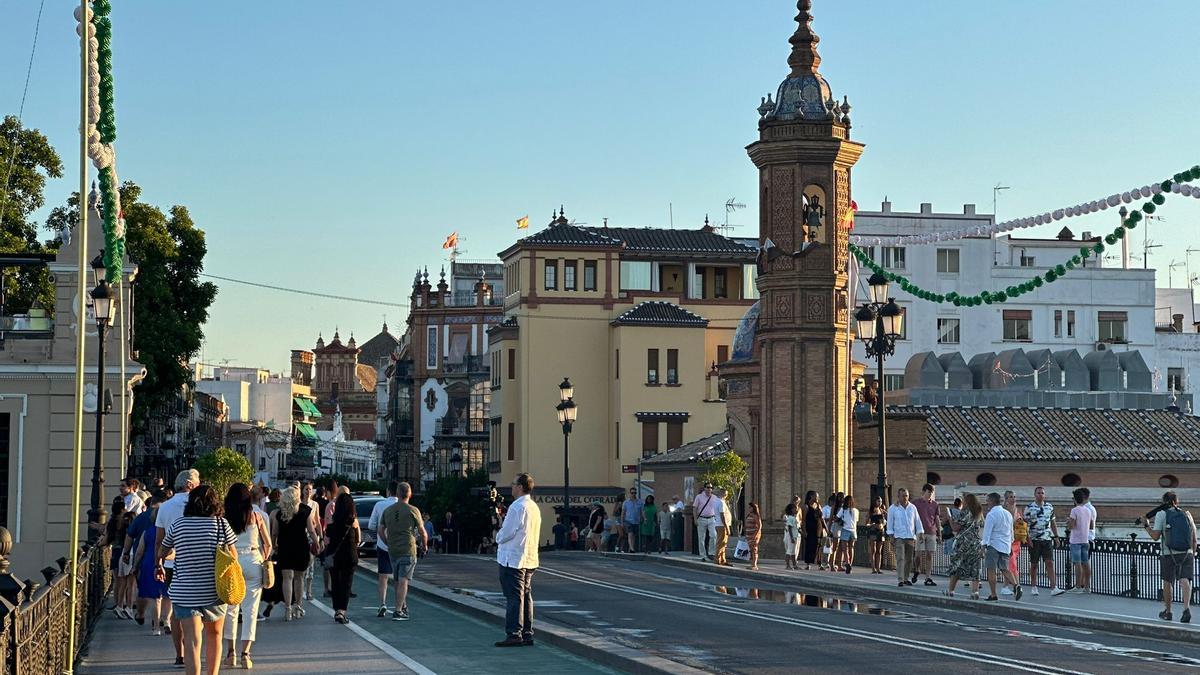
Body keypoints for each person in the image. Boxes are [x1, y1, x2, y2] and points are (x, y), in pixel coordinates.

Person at [155, 484, 237, 675]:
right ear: (214, 503)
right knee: (215, 635)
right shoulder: (221, 524)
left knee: (192, 640)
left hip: (185, 592)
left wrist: (179, 554)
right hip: (214, 591)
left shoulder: (179, 525)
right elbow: (233, 556)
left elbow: (162, 552)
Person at [222, 483, 272, 669]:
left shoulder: (224, 518)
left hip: (232, 562)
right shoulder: (256, 516)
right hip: (253, 560)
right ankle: (246, 654)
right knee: (251, 610)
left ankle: (230, 653)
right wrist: (264, 557)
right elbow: (268, 543)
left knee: (231, 608)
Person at [156, 469, 200, 667]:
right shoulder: (200, 504)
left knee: (176, 607)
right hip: (197, 563)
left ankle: (180, 654)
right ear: (192, 485)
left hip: (172, 563)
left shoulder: (165, 507)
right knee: (197, 608)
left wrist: (158, 564)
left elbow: (160, 541)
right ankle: (195, 650)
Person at [495, 473, 541, 648]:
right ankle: (527, 632)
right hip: (529, 557)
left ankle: (514, 633)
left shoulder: (517, 507)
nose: (511, 486)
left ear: (520, 487)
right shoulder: (534, 507)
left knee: (514, 597)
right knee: (526, 595)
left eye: (513, 484)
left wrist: (497, 536)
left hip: (513, 558)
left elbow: (508, 532)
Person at [271, 485, 321, 621]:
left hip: (285, 547)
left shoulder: (279, 512)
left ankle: (287, 609)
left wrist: (274, 544)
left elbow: (275, 532)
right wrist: (316, 542)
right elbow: (311, 530)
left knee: (287, 578)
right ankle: (298, 606)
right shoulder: (305, 511)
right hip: (301, 547)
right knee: (299, 578)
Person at [1145, 491, 1196, 622]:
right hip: (1187, 552)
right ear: (1176, 501)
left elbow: (1155, 537)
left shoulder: (1161, 514)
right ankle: (1186, 609)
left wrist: (1146, 526)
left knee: (1168, 582)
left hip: (1169, 554)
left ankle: (1168, 612)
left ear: (1163, 502)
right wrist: (1192, 552)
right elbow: (1194, 536)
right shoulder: (1187, 514)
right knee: (1185, 580)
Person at [379, 482, 426, 621]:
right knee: (404, 580)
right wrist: (425, 545)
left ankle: (402, 605)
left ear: (397, 494)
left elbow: (380, 529)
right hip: (408, 548)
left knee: (397, 580)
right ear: (410, 494)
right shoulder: (413, 510)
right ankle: (398, 610)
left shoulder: (388, 511)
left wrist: (387, 541)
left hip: (393, 549)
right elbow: (422, 531)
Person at [133, 490, 168, 634]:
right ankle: (167, 620)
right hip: (166, 562)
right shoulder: (168, 531)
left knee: (155, 598)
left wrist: (135, 565)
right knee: (167, 595)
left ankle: (156, 628)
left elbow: (140, 551)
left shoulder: (147, 532)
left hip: (149, 562)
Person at [324, 492, 360, 624]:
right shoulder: (353, 522)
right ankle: (342, 611)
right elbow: (358, 539)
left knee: (335, 582)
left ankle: (336, 609)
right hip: (349, 555)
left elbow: (327, 539)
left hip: (334, 555)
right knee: (346, 583)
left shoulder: (332, 524)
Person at [1024, 486, 1065, 596]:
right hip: (1034, 539)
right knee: (1034, 564)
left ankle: (1054, 587)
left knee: (1050, 562)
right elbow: (1024, 525)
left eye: (1042, 493)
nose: (1040, 495)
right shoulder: (1029, 508)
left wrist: (1056, 536)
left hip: (1047, 539)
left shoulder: (1049, 507)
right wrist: (1028, 539)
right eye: (1038, 493)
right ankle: (1033, 586)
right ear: (1034, 494)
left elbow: (1053, 523)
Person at [982, 492, 1022, 601]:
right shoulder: (1007, 513)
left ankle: (993, 594)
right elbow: (1011, 531)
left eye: (987, 500)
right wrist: (1010, 543)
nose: (986, 502)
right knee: (1005, 568)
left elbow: (987, 532)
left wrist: (983, 545)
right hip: (1005, 545)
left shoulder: (991, 514)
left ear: (991, 501)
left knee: (991, 570)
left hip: (993, 545)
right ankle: (1015, 585)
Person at [367, 481, 400, 615]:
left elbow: (371, 525)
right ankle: (400, 605)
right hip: (399, 545)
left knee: (383, 577)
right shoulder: (405, 506)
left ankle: (382, 603)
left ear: (388, 491)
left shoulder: (379, 504)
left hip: (382, 544)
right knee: (399, 578)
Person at [100, 495, 135, 619]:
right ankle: (127, 606)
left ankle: (119, 605)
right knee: (130, 583)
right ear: (123, 508)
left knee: (119, 581)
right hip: (127, 552)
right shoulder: (128, 519)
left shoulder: (113, 522)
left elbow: (106, 539)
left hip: (116, 551)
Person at [945, 492, 984, 599]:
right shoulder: (979, 513)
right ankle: (975, 592)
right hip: (975, 543)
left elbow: (955, 528)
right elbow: (981, 528)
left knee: (957, 566)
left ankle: (951, 590)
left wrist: (949, 518)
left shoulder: (965, 512)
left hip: (963, 543)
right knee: (975, 568)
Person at [886, 488, 922, 587]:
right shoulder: (893, 508)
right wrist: (891, 536)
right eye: (903, 495)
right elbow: (889, 523)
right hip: (899, 537)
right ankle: (900, 579)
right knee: (900, 558)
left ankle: (906, 578)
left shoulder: (912, 507)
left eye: (906, 495)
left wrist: (920, 532)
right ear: (898, 496)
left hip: (910, 536)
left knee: (909, 559)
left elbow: (917, 521)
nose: (905, 497)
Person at [913, 484, 940, 586]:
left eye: (931, 492)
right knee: (918, 555)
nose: (930, 494)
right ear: (924, 491)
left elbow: (937, 519)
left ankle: (928, 577)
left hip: (931, 531)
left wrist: (939, 533)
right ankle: (917, 569)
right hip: (920, 532)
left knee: (929, 555)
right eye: (929, 492)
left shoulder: (935, 504)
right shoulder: (916, 503)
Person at [1067, 488, 1093, 593]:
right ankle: (1087, 587)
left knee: (1077, 563)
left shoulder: (1074, 510)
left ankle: (1077, 586)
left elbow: (1071, 526)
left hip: (1075, 541)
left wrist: (1069, 522)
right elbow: (1091, 526)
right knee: (1086, 563)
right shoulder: (1088, 510)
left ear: (1075, 500)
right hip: (1085, 540)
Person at [301, 481, 323, 601]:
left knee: (311, 562)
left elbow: (317, 521)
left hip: (312, 535)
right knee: (301, 563)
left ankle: (309, 590)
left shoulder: (315, 504)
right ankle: (300, 588)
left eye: (310, 489)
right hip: (301, 534)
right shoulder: (298, 504)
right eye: (306, 489)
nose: (308, 492)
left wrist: (321, 537)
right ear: (302, 491)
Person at [1002, 490, 1023, 596]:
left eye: (1014, 496)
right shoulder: (1004, 511)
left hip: (1016, 540)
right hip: (1008, 540)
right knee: (1012, 564)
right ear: (1006, 499)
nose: (1013, 498)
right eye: (1010, 497)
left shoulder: (1016, 509)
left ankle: (1006, 586)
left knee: (1011, 565)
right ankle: (1017, 586)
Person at [693, 483, 718, 561]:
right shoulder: (699, 497)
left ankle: (711, 553)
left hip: (712, 519)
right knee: (701, 538)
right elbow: (694, 508)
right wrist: (695, 519)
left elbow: (718, 508)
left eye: (711, 487)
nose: (709, 489)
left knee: (713, 535)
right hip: (701, 519)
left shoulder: (714, 497)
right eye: (708, 487)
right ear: (704, 488)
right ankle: (703, 555)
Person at [801, 491, 825, 570]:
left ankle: (820, 563)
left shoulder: (818, 506)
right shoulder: (806, 507)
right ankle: (808, 564)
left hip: (818, 529)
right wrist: (804, 531)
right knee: (810, 546)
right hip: (810, 529)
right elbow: (803, 520)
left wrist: (826, 529)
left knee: (819, 546)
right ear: (811, 496)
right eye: (816, 496)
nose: (818, 498)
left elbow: (822, 519)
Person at [837, 495, 858, 574]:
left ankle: (847, 563)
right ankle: (850, 564)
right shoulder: (856, 510)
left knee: (844, 549)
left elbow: (837, 517)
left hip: (845, 529)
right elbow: (856, 520)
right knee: (851, 548)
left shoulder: (843, 509)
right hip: (853, 531)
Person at [867, 496, 886, 574]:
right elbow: (866, 523)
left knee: (879, 551)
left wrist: (883, 525)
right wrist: (873, 525)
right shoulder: (871, 511)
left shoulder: (882, 511)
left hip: (880, 531)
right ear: (875, 502)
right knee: (873, 550)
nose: (880, 503)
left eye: (881, 501)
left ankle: (878, 568)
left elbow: (885, 521)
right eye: (878, 501)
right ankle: (873, 568)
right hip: (873, 531)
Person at [822, 493, 842, 571]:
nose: (841, 499)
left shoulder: (843, 508)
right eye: (840, 497)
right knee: (833, 547)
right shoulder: (833, 507)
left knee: (838, 548)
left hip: (841, 529)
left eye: (842, 497)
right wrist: (828, 530)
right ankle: (830, 564)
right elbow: (829, 520)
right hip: (834, 529)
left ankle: (837, 564)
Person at [713, 488, 732, 566]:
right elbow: (722, 515)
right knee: (721, 543)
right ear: (722, 494)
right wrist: (726, 526)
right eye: (726, 494)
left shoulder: (717, 501)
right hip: (722, 525)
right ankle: (718, 559)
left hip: (718, 524)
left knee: (723, 543)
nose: (726, 495)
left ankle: (722, 559)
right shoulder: (721, 502)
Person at [621, 488, 641, 553]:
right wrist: (622, 522)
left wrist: (644, 518)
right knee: (630, 534)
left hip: (636, 521)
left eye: (635, 493)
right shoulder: (626, 502)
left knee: (634, 535)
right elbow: (623, 512)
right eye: (632, 493)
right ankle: (632, 548)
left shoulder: (639, 502)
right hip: (628, 520)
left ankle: (631, 547)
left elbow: (642, 511)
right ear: (630, 493)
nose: (633, 494)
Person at [782, 502, 800, 570]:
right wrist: (792, 537)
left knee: (793, 552)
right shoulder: (791, 518)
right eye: (795, 508)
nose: (797, 509)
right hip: (790, 537)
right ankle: (787, 565)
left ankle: (795, 565)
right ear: (792, 509)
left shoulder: (793, 517)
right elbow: (789, 527)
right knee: (789, 551)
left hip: (793, 536)